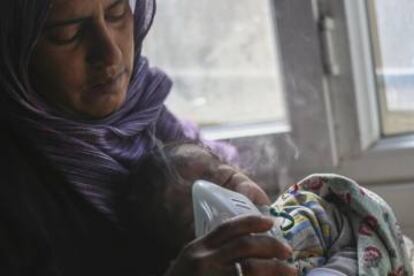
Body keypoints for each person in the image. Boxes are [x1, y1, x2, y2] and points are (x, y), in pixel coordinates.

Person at [0, 0, 296, 275]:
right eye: (68, 33)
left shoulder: (143, 110)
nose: (111, 53)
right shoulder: (16, 193)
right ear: (15, 43)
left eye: (116, 13)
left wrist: (235, 186)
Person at [124, 142, 412, 276]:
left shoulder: (303, 213)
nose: (226, 206)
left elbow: (360, 234)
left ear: (246, 174)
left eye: (226, 180)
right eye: (193, 219)